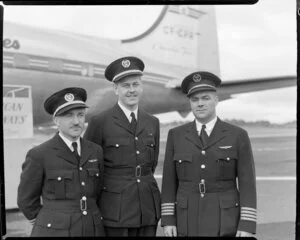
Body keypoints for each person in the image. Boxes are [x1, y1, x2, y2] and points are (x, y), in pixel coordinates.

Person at [160, 71, 257, 237]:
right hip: (186, 220)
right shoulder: (176, 135)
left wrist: (247, 224)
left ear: (216, 100)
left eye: (205, 98)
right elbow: (169, 181)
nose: (200, 104)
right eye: (194, 99)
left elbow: (247, 183)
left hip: (225, 220)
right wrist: (168, 219)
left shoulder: (237, 135)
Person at [84, 56, 161, 237]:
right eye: (126, 86)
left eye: (135, 85)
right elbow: (90, 168)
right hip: (114, 209)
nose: (131, 90)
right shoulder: (99, 122)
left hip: (147, 208)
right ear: (115, 89)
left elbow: (152, 164)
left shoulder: (152, 122)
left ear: (141, 87)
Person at [17, 87, 105, 237]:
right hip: (55, 231)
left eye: (80, 115)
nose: (76, 121)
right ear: (56, 120)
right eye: (69, 116)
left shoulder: (95, 150)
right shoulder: (39, 154)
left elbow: (98, 191)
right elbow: (26, 200)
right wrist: (46, 222)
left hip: (92, 228)